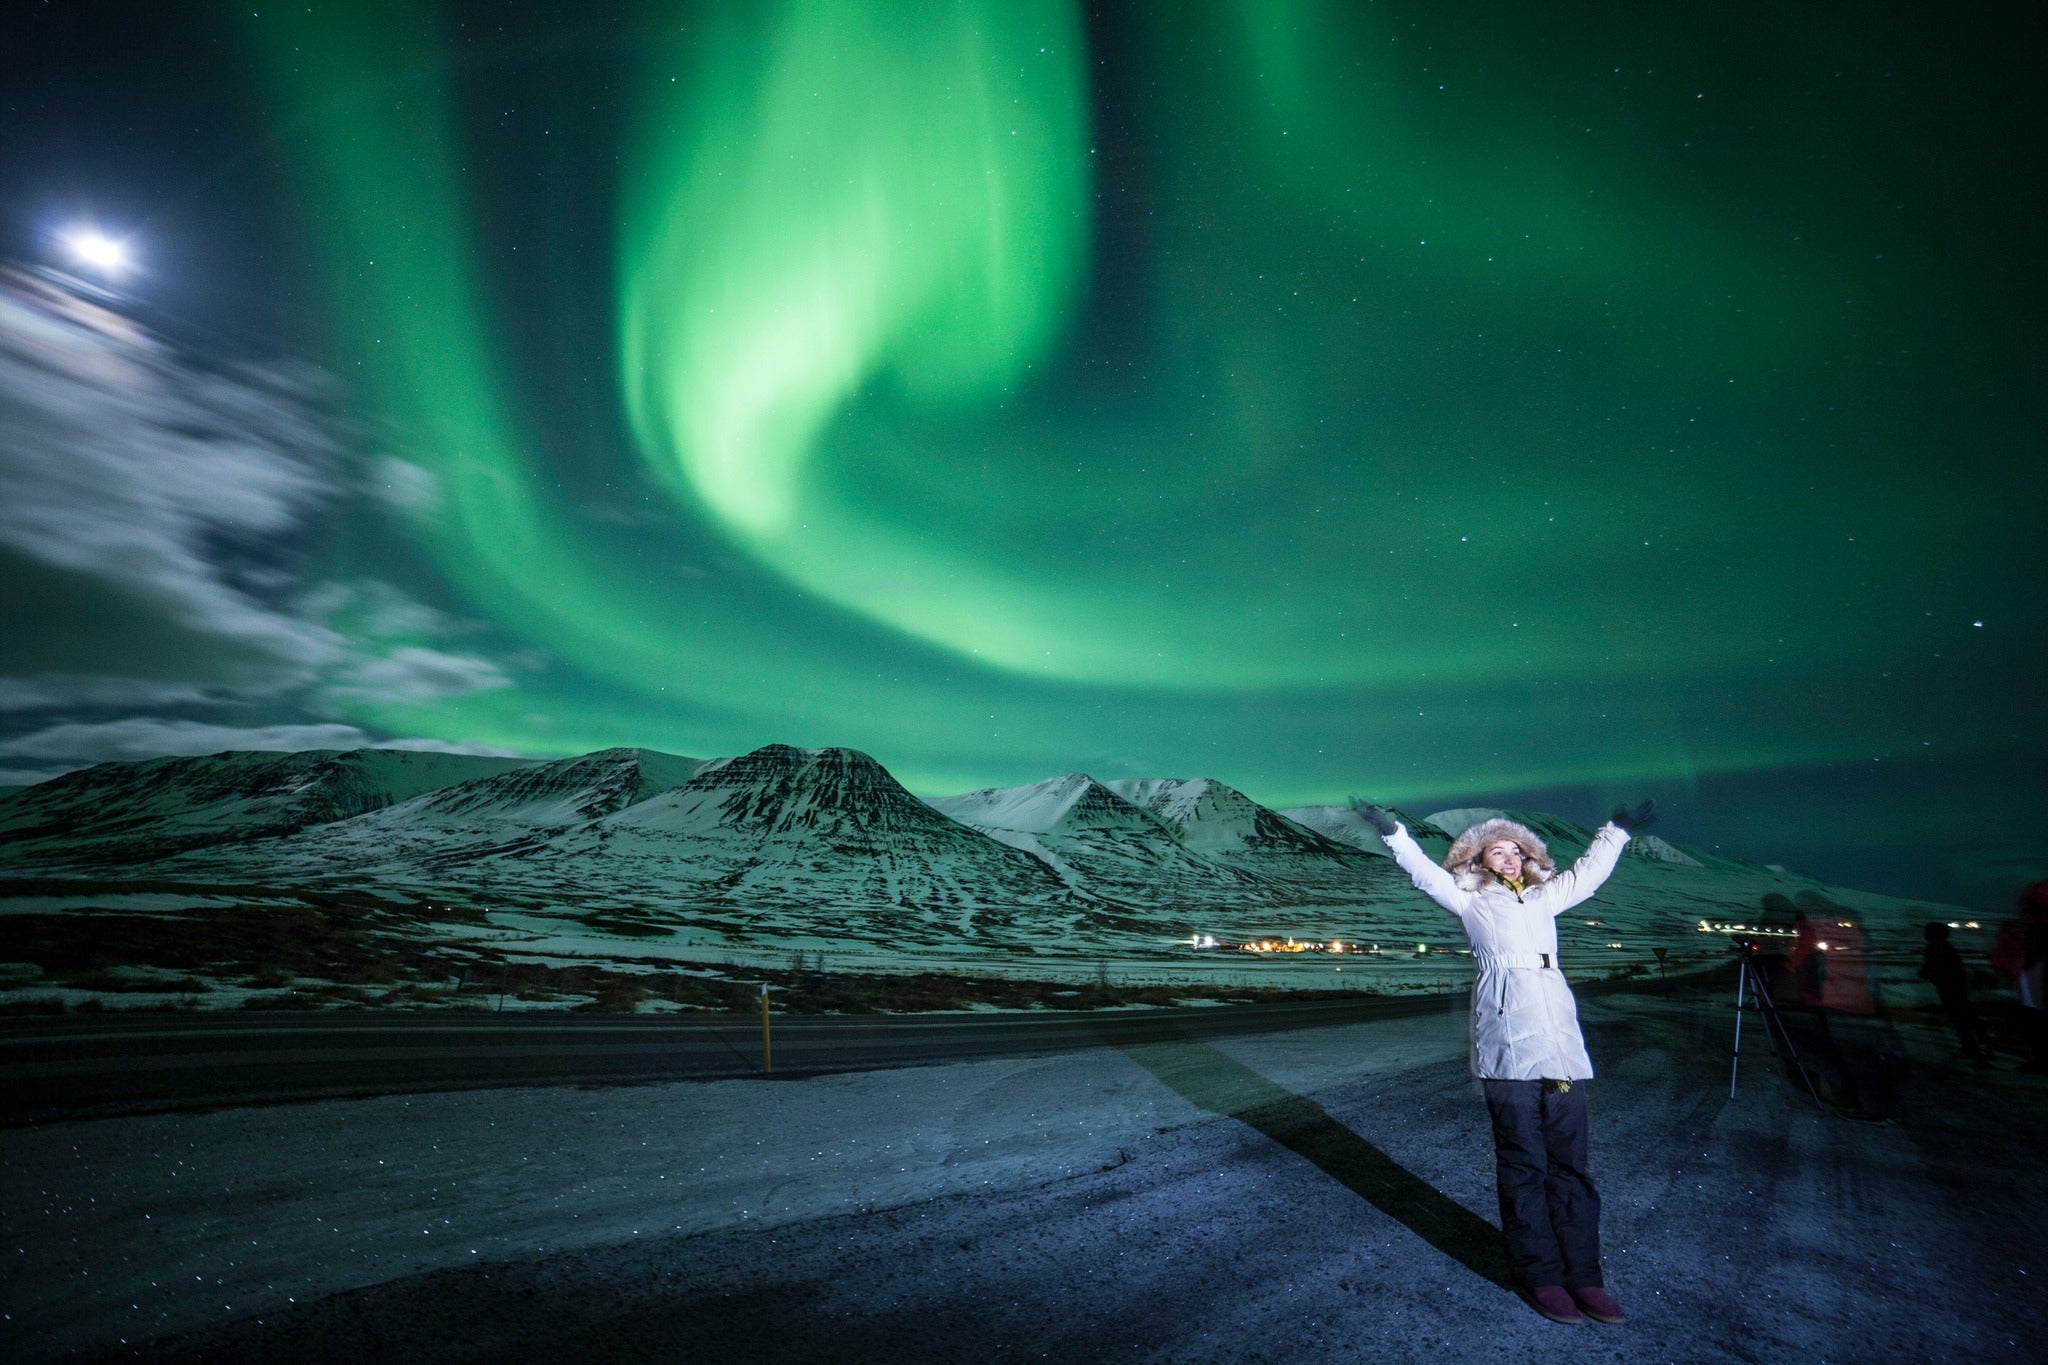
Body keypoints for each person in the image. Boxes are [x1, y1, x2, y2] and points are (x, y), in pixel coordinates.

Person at [1351, 796, 1653, 1327]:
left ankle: (1585, 1276)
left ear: (1529, 858)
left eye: (1516, 851)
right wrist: (1394, 831)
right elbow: (1424, 873)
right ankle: (1540, 1275)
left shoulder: (1547, 898)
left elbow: (1590, 872)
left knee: (1572, 1169)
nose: (1509, 858)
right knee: (1524, 1166)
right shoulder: (1469, 901)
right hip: (1508, 1050)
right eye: (1497, 852)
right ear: (1477, 862)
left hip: (1562, 1051)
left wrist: (1618, 830)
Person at [1990, 880, 2048, 1072]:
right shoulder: (2025, 930)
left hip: (2033, 987)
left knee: (2034, 1022)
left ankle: (2039, 1060)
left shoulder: (2025, 931)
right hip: (2032, 987)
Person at [1917, 922, 1988, 1066]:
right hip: (1957, 986)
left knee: (1960, 1019)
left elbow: (1930, 967)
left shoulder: (1934, 948)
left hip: (1948, 987)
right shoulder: (1948, 947)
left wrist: (1923, 973)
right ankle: (1983, 1045)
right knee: (1967, 1016)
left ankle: (1973, 1051)